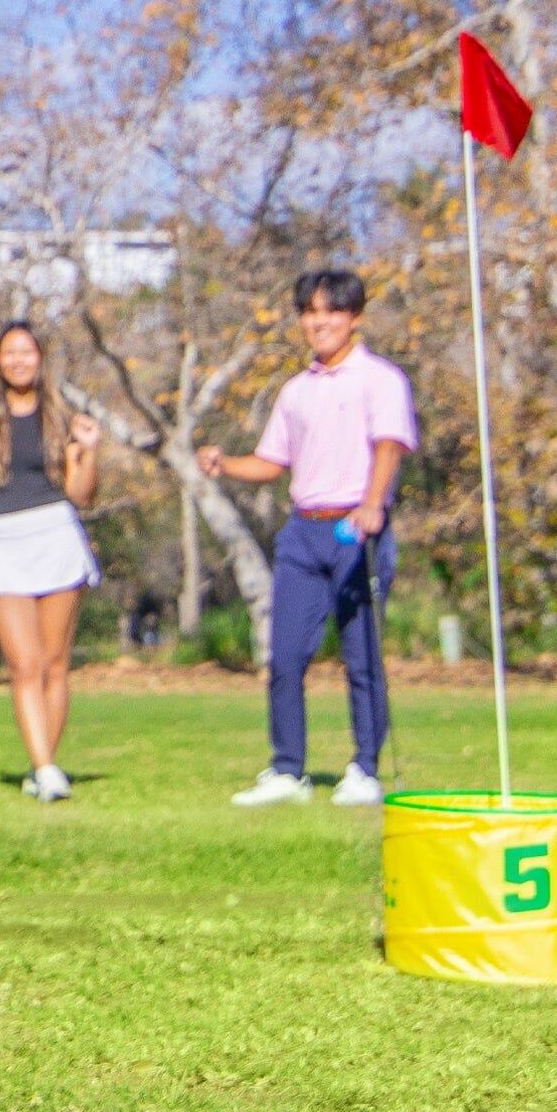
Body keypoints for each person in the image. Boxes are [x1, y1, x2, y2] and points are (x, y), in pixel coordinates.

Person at [198, 267, 416, 807]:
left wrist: (372, 503)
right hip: (303, 531)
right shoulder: (295, 391)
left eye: (331, 312)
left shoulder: (381, 379)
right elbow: (272, 462)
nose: (320, 323)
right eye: (310, 312)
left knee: (361, 655)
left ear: (354, 317)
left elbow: (389, 444)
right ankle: (287, 770)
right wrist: (226, 464)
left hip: (358, 529)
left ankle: (365, 769)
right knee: (286, 656)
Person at [0, 322, 102, 802]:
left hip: (56, 535)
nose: (18, 361)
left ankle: (43, 767)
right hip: (2, 543)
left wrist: (89, 451)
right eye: (9, 352)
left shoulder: (63, 415)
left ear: (40, 358)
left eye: (27, 352)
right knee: (25, 664)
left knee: (54, 663)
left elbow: (81, 494)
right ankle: (46, 768)